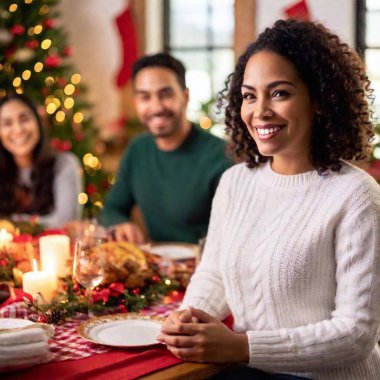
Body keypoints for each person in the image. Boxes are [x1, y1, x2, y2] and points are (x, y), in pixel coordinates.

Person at [158, 19, 380, 379]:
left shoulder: (356, 195)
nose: (259, 111)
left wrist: (242, 346)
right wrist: (189, 316)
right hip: (252, 368)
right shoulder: (234, 182)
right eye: (249, 95)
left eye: (279, 93)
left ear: (320, 100)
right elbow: (214, 271)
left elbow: (356, 333)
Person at [99, 53, 233, 244]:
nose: (156, 106)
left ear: (185, 97)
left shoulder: (220, 156)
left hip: (206, 267)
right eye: (145, 97)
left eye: (166, 94)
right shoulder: (138, 149)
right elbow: (111, 210)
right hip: (157, 266)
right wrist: (120, 224)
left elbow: (234, 234)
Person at [0, 93, 82, 229]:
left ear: (38, 122)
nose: (18, 129)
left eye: (24, 119)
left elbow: (65, 222)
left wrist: (10, 223)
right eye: (7, 123)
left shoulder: (65, 164)